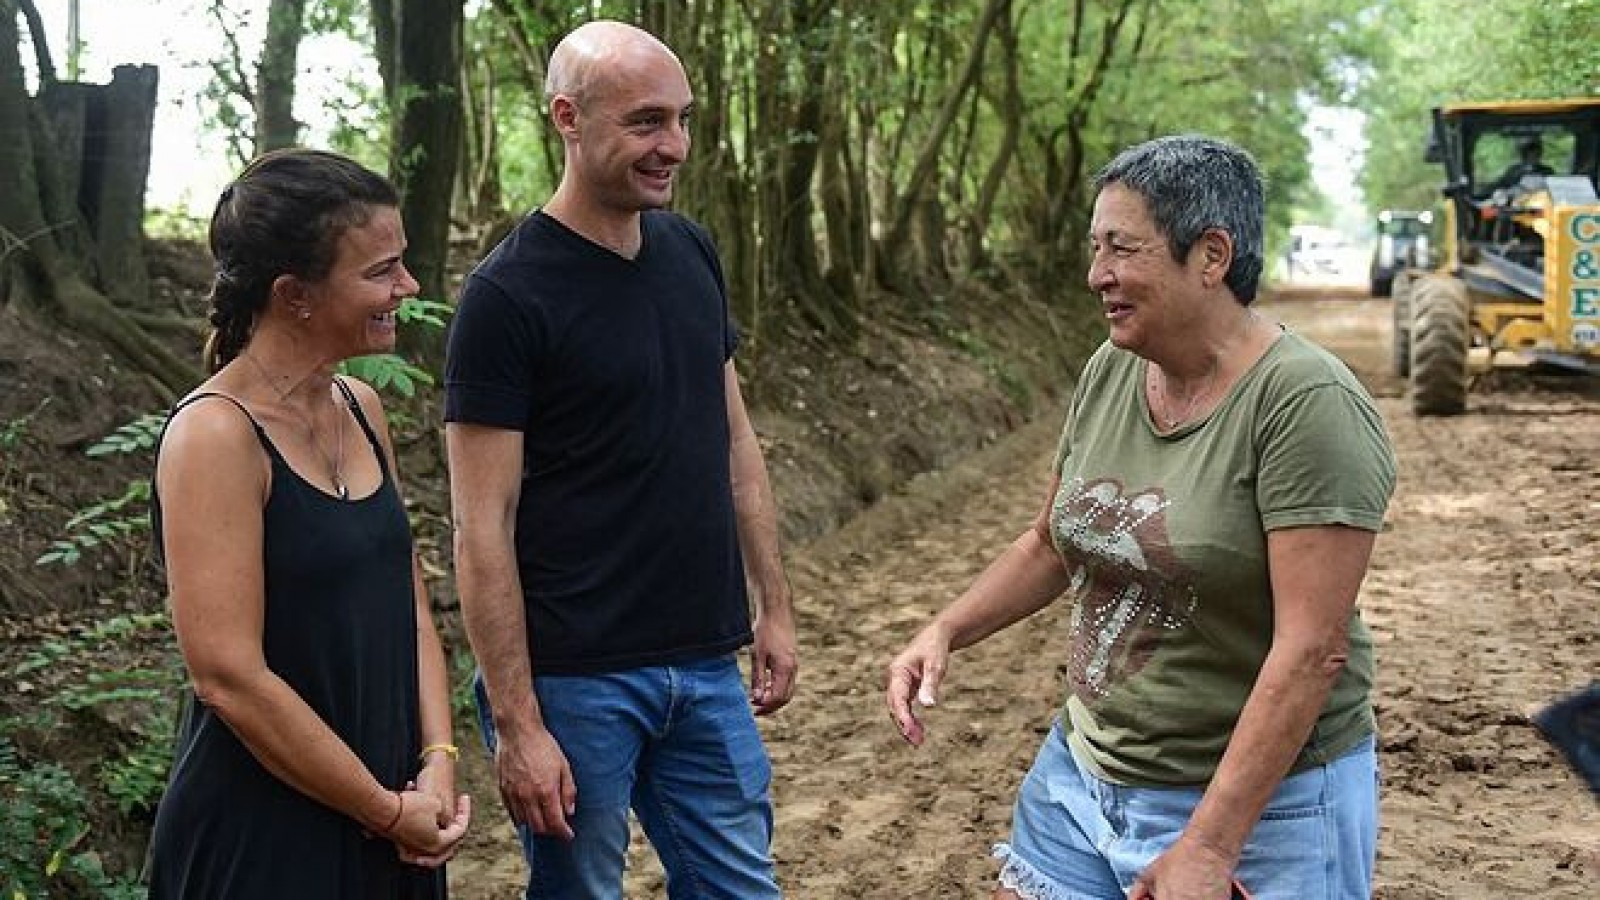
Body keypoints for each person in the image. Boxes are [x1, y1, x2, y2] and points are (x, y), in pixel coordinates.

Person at [886, 135, 1396, 900]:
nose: (1098, 275)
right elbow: (1052, 541)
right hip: (1084, 782)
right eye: (1096, 248)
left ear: (1212, 255)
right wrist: (946, 629)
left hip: (1262, 812)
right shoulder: (1113, 367)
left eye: (1121, 248)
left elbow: (1310, 651)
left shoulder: (1306, 405)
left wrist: (1209, 847)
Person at [443, 19, 798, 900]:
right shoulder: (504, 297)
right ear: (567, 116)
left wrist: (775, 607)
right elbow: (480, 527)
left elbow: (736, 445)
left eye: (681, 119)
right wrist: (518, 722)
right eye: (646, 122)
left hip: (706, 662)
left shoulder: (690, 251)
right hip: (575, 682)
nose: (672, 144)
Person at [146, 148, 470, 898]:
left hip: (394, 825)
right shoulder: (214, 436)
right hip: (264, 843)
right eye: (381, 271)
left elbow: (409, 602)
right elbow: (229, 677)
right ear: (294, 293)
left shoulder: (362, 407)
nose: (408, 287)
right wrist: (385, 809)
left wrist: (440, 754)